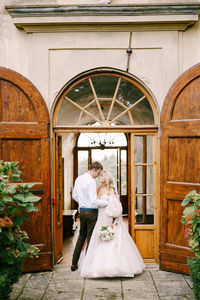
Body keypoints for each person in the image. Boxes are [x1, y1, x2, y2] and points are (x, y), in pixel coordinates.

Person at [80, 170, 145, 278]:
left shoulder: (111, 189)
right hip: (99, 217)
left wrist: (111, 222)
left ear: (107, 178)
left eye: (102, 175)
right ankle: (97, 267)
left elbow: (115, 207)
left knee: (112, 240)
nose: (99, 177)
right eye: (99, 175)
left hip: (108, 217)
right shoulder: (98, 188)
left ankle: (115, 267)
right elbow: (94, 201)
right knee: (98, 240)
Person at [71, 161, 108, 271]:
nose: (98, 176)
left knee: (81, 237)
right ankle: (87, 265)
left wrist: (82, 203)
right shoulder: (91, 182)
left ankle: (74, 263)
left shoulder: (78, 179)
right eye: (98, 173)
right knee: (90, 238)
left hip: (82, 212)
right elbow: (93, 200)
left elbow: (75, 196)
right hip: (92, 212)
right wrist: (106, 203)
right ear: (93, 170)